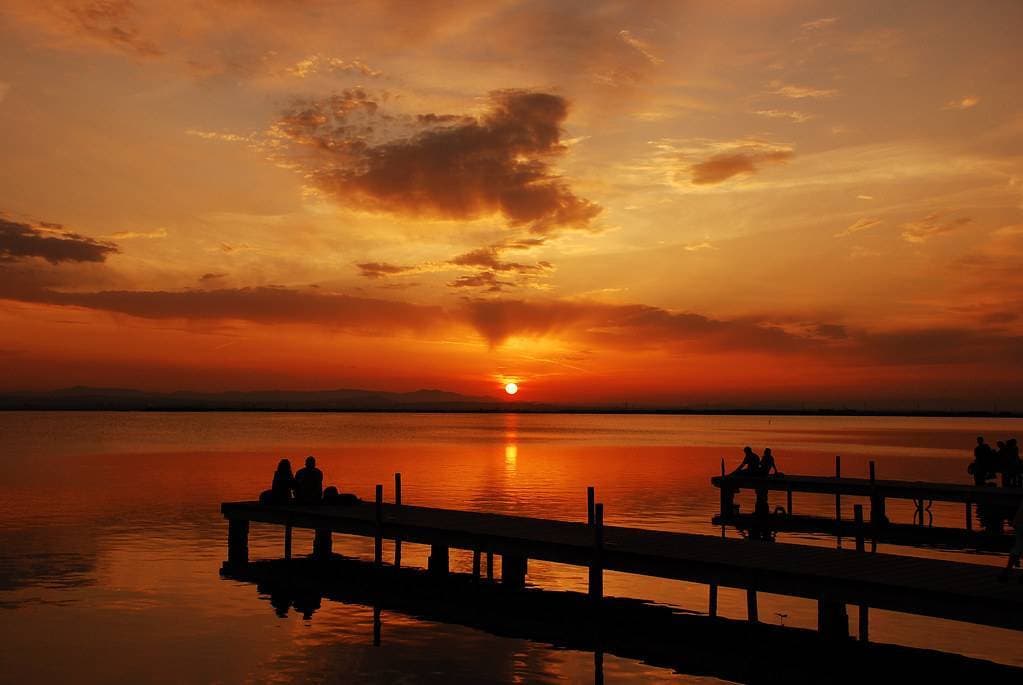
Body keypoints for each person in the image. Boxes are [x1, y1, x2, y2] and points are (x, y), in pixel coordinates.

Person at [998, 500, 1023, 583]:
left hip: (1019, 522)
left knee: (1018, 547)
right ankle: (1007, 572)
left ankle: (1007, 572)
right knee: (1018, 547)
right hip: (1020, 522)